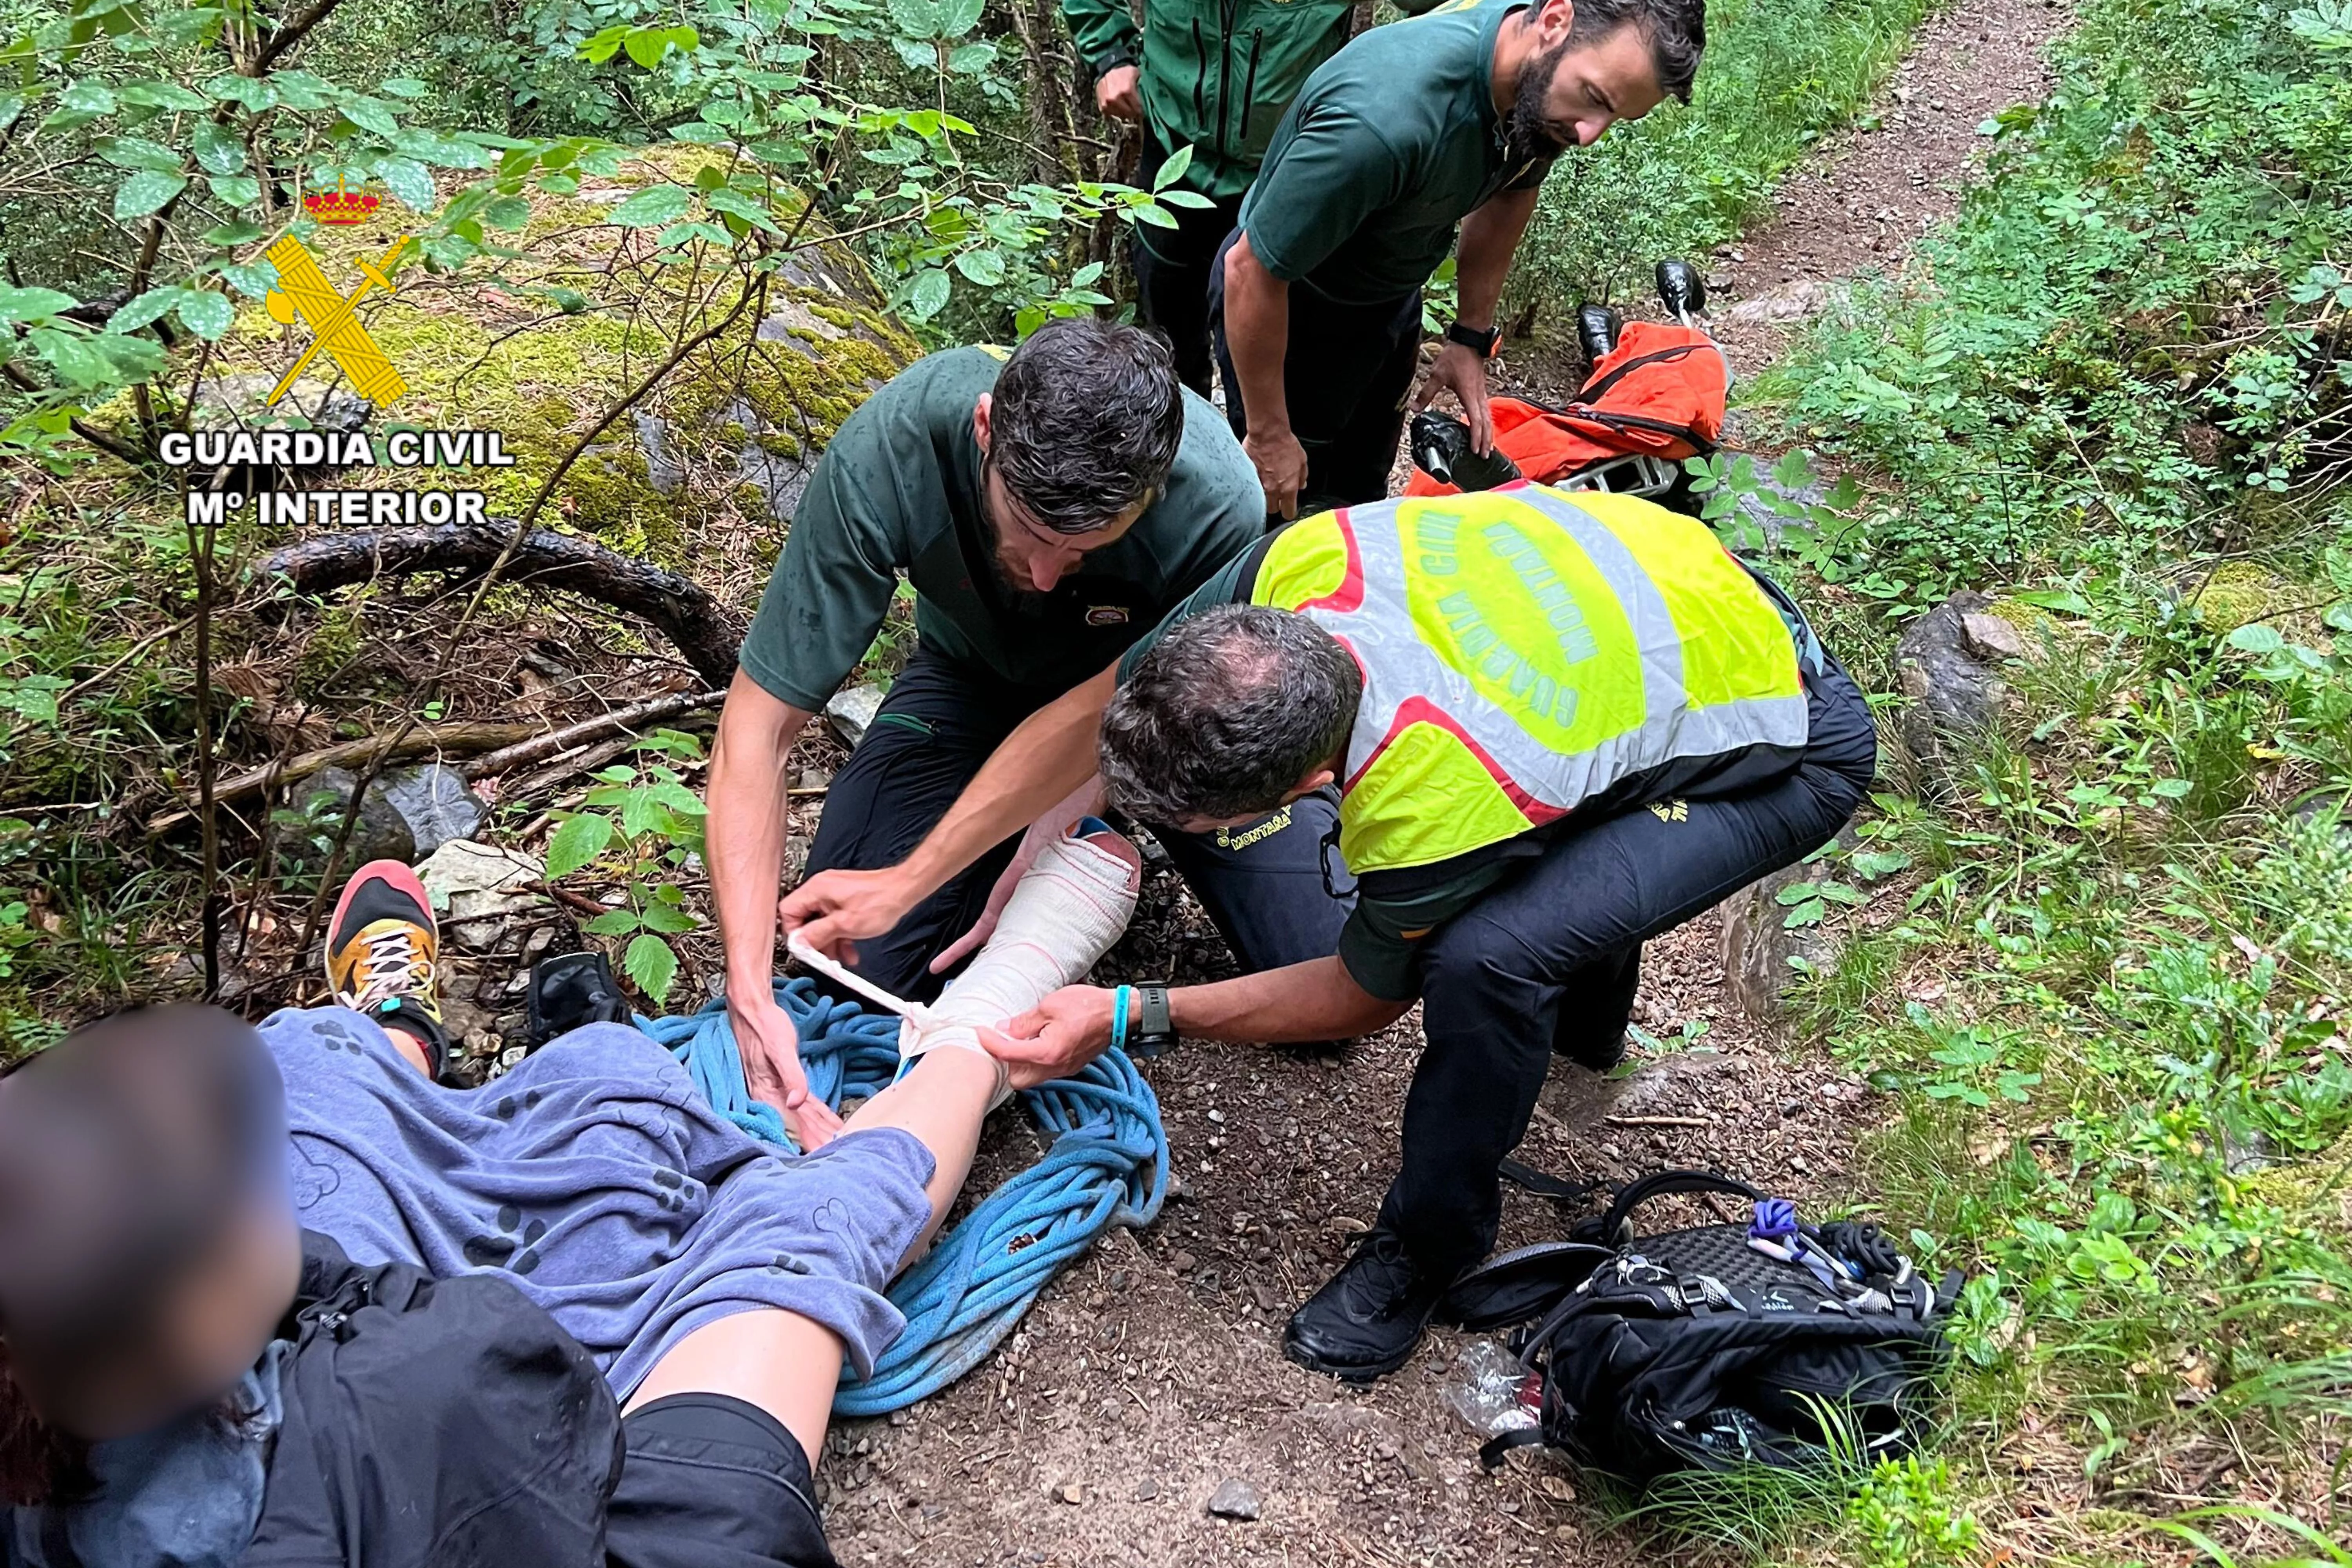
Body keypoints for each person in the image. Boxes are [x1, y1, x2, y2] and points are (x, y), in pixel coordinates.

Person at [781, 486, 1878, 1381]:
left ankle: (1428, 1253)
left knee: (1486, 960)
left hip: (1784, 730)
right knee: (1561, 858)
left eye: (1193, 824)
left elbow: (1362, 995)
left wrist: (1131, 1014)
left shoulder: (1437, 790)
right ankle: (1587, 1030)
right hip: (1659, 607)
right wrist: (925, 871)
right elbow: (1111, 698)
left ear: (1311, 787)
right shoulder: (1291, 576)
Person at [0, 838, 1141, 1566]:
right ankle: (981, 1040)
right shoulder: (430, 1371)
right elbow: (534, 1364)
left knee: (303, 1061)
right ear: (196, 1312)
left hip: (310, 1433)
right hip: (598, 1501)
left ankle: (395, 1032)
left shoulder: (59, 1373)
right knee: (783, 1221)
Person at [707, 316, 1351, 1148]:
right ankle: (1050, 872)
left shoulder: (1217, 501)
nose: (1046, 575)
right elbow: (755, 731)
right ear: (986, 432)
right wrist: (747, 984)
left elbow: (1108, 717)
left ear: (1152, 494)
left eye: (1085, 550)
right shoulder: (895, 446)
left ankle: (1095, 850)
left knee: (1317, 958)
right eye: (1031, 533)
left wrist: (1078, 798)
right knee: (853, 968)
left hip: (1163, 726)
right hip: (975, 683)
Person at [1214, 0, 1704, 518]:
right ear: (1555, 21)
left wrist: (1471, 336)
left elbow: (1516, 186)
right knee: (1289, 506)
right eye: (1595, 99)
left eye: (1615, 117)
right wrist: (1269, 434)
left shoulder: (1541, 88)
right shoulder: (1380, 124)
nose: (1589, 135)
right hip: (1297, 317)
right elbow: (1251, 271)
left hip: (1389, 297)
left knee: (1360, 495)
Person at [1061, 0, 1357, 395]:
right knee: (1170, 347)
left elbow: (1440, 17)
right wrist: (1110, 54)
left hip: (1286, 164)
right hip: (1172, 149)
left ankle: (1260, 445)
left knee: (1278, 360)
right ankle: (1183, 436)